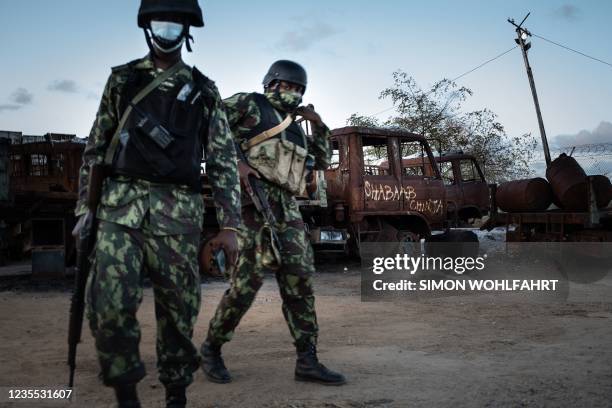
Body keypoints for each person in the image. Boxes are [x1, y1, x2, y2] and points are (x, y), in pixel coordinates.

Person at [74, 1, 241, 406]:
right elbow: (96, 149)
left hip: (177, 216)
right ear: (148, 28)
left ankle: (176, 396)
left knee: (178, 317)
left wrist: (229, 225)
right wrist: (86, 210)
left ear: (187, 30)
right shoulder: (123, 81)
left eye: (176, 24)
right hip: (119, 211)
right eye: (160, 22)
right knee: (109, 307)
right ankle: (127, 396)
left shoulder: (204, 91)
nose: (167, 30)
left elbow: (221, 159)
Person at [200, 60, 346, 386]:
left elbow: (321, 160)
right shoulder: (249, 103)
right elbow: (209, 125)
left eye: (298, 89)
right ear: (271, 84)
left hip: (286, 209)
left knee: (300, 281)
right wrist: (235, 163)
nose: (292, 93)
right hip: (251, 204)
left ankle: (307, 359)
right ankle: (211, 348)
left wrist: (318, 123)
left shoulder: (295, 128)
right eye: (287, 86)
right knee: (246, 285)